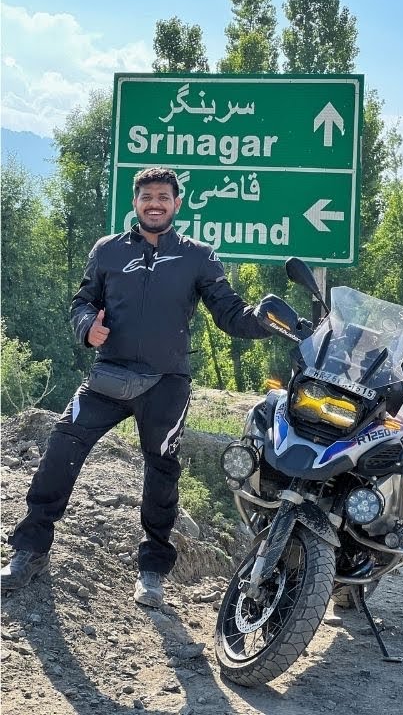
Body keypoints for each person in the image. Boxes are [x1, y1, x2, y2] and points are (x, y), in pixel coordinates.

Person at [1, 167, 274, 608]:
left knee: (162, 470)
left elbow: (230, 314)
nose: (155, 203)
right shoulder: (107, 251)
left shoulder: (198, 256)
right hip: (107, 376)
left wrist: (264, 323)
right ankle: (30, 550)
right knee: (60, 447)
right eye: (147, 196)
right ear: (135, 202)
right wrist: (86, 326)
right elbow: (82, 301)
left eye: (163, 197)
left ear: (176, 204)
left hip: (166, 382)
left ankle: (152, 571)